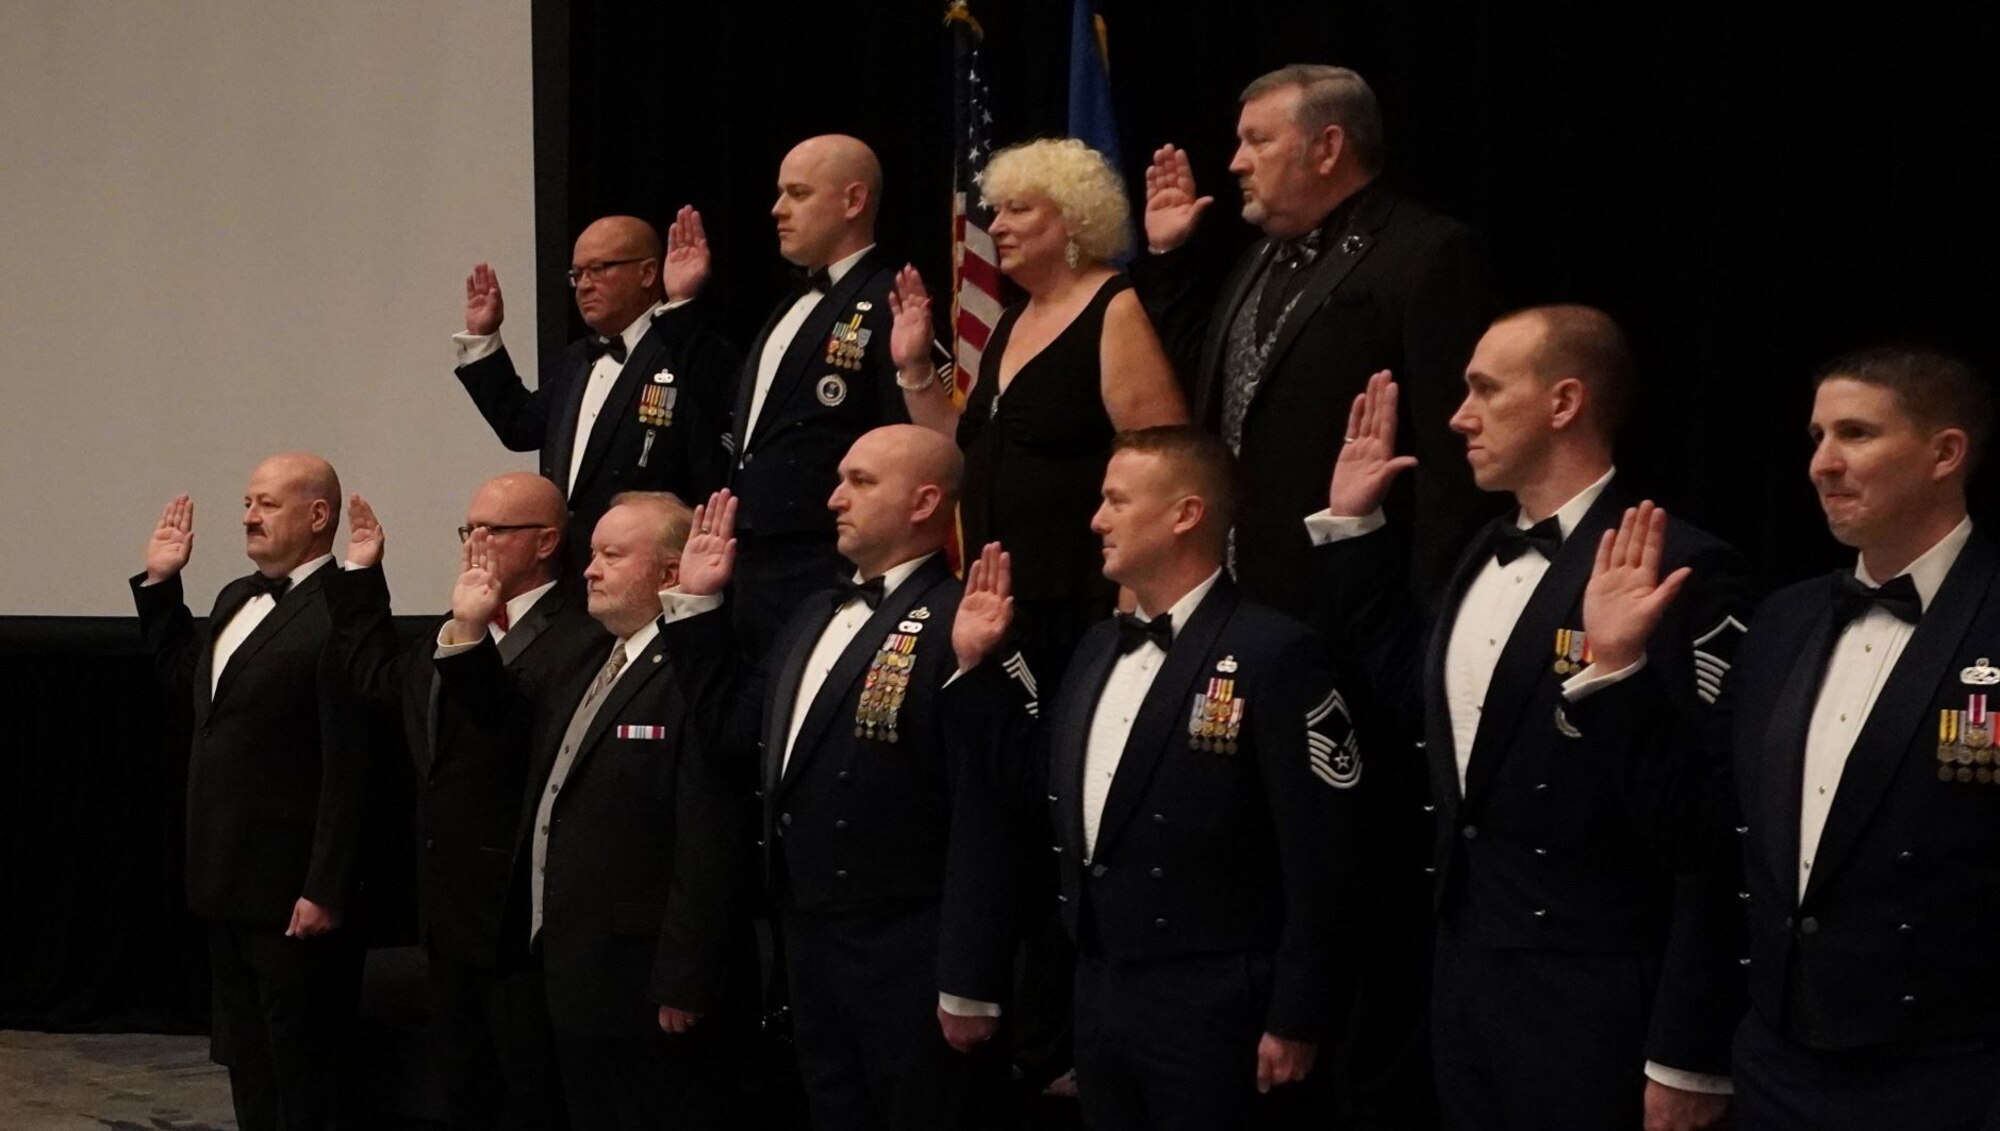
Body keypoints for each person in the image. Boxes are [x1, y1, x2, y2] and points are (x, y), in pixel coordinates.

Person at [1311, 307, 1751, 1130]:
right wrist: (1355, 532)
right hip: (1468, 974)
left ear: (1564, 402)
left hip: (1598, 993)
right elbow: (1418, 702)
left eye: (1484, 388)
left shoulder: (1678, 563)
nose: (1457, 416)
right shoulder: (1481, 547)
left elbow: (1711, 829)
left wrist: (1689, 1049)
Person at [1573, 346, 2000, 1129]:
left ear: (1946, 452)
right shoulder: (1784, 621)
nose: (1822, 465)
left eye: (1856, 434)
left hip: (1953, 1078)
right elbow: (1708, 842)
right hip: (1776, 1066)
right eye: (1816, 437)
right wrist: (1620, 667)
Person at [958, 425, 1362, 1129]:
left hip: (1220, 998)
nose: (1097, 519)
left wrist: (1300, 1010)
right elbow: (1037, 792)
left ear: (1185, 513)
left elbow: (1324, 851)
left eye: (1116, 499)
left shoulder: (1275, 651)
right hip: (1104, 990)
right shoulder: (1094, 647)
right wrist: (980, 670)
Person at [663, 425, 1037, 1130]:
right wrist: (700, 607)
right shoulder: (813, 613)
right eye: (839, 479)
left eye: (861, 481)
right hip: (810, 944)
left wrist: (970, 977)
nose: (835, 498)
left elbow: (992, 815)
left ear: (925, 500)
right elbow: (731, 733)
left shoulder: (968, 617)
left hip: (913, 953)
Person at [432, 491, 748, 1130]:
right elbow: (504, 727)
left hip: (644, 973)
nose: (589, 569)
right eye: (593, 551)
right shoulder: (589, 653)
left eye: (611, 555)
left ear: (667, 574)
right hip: (569, 965)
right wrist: (468, 629)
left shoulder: (695, 670)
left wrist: (686, 975)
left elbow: (710, 835)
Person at [1134, 63, 1497, 610]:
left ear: (1328, 148)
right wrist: (1169, 258)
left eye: (1257, 140)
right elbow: (1214, 388)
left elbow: (1453, 458)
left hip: (1356, 604)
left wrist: (1430, 616)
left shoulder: (1428, 254)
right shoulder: (1258, 258)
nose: (1235, 163)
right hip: (1241, 603)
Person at [320, 473, 606, 1131]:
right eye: (466, 529)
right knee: (465, 1089)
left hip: (518, 919)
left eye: (492, 530)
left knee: (531, 1094)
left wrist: (473, 640)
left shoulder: (584, 632)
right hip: (447, 912)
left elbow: (514, 736)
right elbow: (380, 682)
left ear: (544, 542)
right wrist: (363, 577)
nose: (474, 543)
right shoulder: (460, 622)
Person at [890, 137, 1188, 687]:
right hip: (998, 601)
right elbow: (969, 447)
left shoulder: (1114, 307)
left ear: (1075, 219)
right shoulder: (1009, 321)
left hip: (1086, 601)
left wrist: (1137, 595)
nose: (998, 226)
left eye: (1019, 209)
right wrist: (914, 368)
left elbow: (1161, 460)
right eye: (997, 210)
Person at [131, 453, 368, 1131]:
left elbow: (348, 765)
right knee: (248, 1064)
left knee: (304, 1072)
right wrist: (161, 585)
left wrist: (324, 884)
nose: (248, 516)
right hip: (225, 882)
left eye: (266, 503)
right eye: (245, 502)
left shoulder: (340, 614)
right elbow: (195, 686)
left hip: (292, 894)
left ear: (318, 515)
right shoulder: (236, 594)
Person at [720, 135, 941, 659]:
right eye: (780, 193)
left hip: (826, 561)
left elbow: (906, 443)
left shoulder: (888, 302)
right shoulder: (787, 307)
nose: (777, 210)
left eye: (797, 193)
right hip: (752, 562)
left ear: (853, 201)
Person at [455, 212, 736, 571]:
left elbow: (710, 456)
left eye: (599, 269)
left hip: (651, 566)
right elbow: (521, 427)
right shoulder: (578, 358)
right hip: (573, 565)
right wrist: (483, 341)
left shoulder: (687, 353)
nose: (584, 285)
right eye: (578, 274)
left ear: (648, 273)